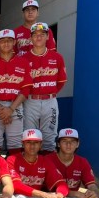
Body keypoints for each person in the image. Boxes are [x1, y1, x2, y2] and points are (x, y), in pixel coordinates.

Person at [0, 29, 32, 156]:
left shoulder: (23, 62)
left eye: (9, 40)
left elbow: (26, 89)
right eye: (3, 41)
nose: (6, 43)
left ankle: (13, 168)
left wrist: (10, 109)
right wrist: (1, 110)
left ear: (14, 42)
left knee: (15, 143)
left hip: (15, 105)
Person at [22, 22, 67, 153]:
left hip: (50, 102)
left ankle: (47, 165)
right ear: (31, 38)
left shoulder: (57, 57)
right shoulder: (24, 59)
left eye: (42, 34)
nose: (39, 37)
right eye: (35, 34)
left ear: (48, 37)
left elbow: (61, 81)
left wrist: (50, 93)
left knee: (49, 138)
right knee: (29, 136)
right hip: (30, 101)